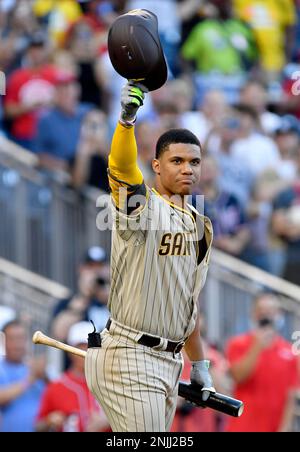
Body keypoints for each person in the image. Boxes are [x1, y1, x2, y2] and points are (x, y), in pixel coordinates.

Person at [85, 81, 215, 432]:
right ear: (157, 165)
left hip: (169, 362)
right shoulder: (142, 207)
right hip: (130, 353)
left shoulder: (201, 226)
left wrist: (199, 365)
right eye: (177, 161)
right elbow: (122, 168)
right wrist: (126, 121)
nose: (188, 168)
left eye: (194, 162)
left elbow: (187, 304)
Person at [226, 292, 299, 432]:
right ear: (253, 314)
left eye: (270, 311)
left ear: (279, 314)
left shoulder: (290, 352)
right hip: (242, 427)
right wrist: (256, 347)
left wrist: (285, 428)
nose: (266, 316)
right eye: (261, 311)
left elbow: (291, 396)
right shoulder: (238, 344)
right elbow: (238, 377)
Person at [36, 321, 109, 432]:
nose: (86, 351)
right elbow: (38, 426)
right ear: (70, 351)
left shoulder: (111, 383)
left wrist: (108, 421)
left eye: (90, 347)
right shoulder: (56, 386)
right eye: (81, 346)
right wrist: (49, 420)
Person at [0, 321, 47, 432]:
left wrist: (44, 376)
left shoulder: (34, 366)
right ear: (3, 341)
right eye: (13, 339)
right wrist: (31, 379)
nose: (18, 344)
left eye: (21, 338)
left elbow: (53, 395)